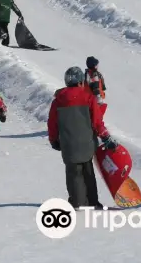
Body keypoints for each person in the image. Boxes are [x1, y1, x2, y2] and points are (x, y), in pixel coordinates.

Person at [48, 67, 117, 209]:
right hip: (87, 143)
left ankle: (77, 202)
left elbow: (52, 123)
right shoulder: (88, 97)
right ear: (81, 82)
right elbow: (97, 122)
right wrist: (106, 138)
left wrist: (54, 139)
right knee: (88, 172)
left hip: (69, 145)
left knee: (74, 173)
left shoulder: (58, 101)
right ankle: (92, 201)